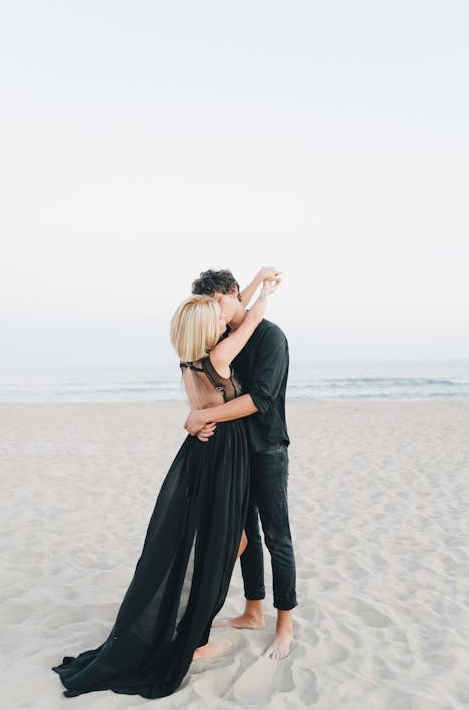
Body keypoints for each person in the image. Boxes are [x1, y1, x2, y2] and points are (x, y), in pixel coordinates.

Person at [51, 273, 280, 699]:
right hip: (223, 455)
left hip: (201, 454)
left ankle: (191, 624)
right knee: (223, 544)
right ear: (206, 326)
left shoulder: (190, 359)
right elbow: (247, 321)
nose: (221, 320)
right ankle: (195, 637)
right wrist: (265, 291)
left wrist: (243, 288)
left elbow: (229, 309)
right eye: (214, 317)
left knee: (223, 541)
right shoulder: (219, 359)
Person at [185, 267, 297, 661]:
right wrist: (198, 417)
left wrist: (206, 418)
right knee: (243, 532)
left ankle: (284, 624)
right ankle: (253, 611)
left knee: (276, 537)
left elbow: (261, 398)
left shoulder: (269, 336)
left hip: (266, 447)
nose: (216, 311)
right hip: (231, 452)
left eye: (220, 302)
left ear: (234, 293)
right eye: (210, 306)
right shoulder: (221, 336)